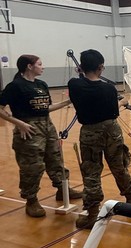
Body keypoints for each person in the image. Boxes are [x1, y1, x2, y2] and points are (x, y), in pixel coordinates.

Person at [68, 49, 131, 229]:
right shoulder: (108, 88)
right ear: (101, 67)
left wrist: (82, 72)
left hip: (89, 132)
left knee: (91, 171)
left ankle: (92, 213)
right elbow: (113, 109)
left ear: (81, 67)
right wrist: (123, 102)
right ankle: (130, 196)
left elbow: (82, 84)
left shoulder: (74, 85)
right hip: (111, 130)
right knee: (119, 165)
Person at [0, 54, 83, 217]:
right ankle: (31, 200)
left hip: (47, 126)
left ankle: (62, 190)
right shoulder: (15, 86)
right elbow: (0, 108)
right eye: (39, 64)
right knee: (32, 166)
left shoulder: (41, 84)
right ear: (29, 67)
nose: (42, 67)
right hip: (28, 128)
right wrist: (19, 124)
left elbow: (47, 108)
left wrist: (68, 102)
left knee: (55, 159)